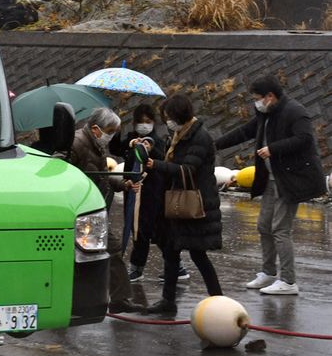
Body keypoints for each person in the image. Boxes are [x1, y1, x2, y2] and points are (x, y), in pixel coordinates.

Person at [215, 75, 326, 295]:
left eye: (257, 98)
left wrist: (274, 148)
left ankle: (288, 281)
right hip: (270, 178)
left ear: (270, 96)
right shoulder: (266, 114)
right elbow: (244, 132)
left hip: (292, 180)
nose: (255, 103)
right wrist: (212, 145)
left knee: (280, 229)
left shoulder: (295, 111)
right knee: (264, 226)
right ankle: (268, 272)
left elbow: (304, 139)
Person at [144, 94, 223, 314]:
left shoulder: (199, 137)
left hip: (195, 204)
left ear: (180, 115)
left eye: (169, 116)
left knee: (198, 254)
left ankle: (219, 301)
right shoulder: (179, 135)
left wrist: (156, 165)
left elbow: (187, 170)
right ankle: (168, 301)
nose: (167, 121)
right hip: (177, 202)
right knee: (170, 250)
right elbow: (173, 163)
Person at [70, 107, 141, 314]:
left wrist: (122, 184)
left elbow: (98, 175)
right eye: (110, 131)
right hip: (80, 212)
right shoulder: (77, 144)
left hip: (92, 210)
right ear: (96, 128)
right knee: (86, 255)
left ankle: (118, 298)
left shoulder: (94, 144)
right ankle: (77, 300)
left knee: (110, 250)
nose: (111, 136)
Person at [109, 104, 189, 283]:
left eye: (148, 122)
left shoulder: (157, 142)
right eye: (140, 122)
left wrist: (148, 149)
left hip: (152, 193)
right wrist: (118, 132)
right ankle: (177, 267)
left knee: (143, 230)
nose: (144, 125)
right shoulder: (131, 139)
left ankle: (137, 268)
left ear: (154, 123)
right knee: (149, 231)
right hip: (132, 190)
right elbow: (115, 150)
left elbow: (163, 160)